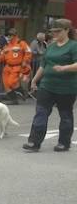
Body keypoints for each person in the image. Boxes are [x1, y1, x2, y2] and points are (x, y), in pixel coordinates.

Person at [23, 18, 77, 152]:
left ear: (66, 30)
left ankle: (64, 143)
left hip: (66, 87)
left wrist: (64, 68)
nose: (55, 34)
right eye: (53, 32)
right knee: (41, 112)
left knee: (65, 115)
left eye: (58, 32)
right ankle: (34, 142)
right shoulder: (51, 46)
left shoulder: (73, 46)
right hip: (47, 86)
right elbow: (43, 65)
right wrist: (34, 80)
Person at [0, 28, 32, 104]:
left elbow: (28, 52)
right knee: (6, 84)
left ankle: (22, 91)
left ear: (15, 35)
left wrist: (25, 61)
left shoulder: (21, 43)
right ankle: (13, 100)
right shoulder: (7, 46)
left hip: (17, 66)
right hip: (7, 67)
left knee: (11, 82)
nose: (9, 37)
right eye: (8, 35)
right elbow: (2, 56)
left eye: (11, 35)